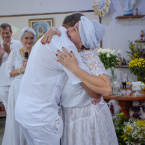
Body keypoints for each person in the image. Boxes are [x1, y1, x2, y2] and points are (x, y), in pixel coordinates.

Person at [42, 14, 118, 145]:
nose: (69, 30)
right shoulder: (68, 53)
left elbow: (106, 88)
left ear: (82, 41)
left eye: (74, 29)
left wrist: (74, 68)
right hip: (70, 117)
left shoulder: (88, 56)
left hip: (87, 118)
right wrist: (53, 31)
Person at [15, 15, 91, 145]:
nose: (83, 43)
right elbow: (85, 84)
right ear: (73, 28)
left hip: (23, 111)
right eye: (83, 33)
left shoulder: (46, 39)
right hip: (41, 117)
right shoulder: (66, 46)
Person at [2, 27, 36, 145]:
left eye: (31, 38)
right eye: (26, 38)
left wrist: (32, 68)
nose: (29, 40)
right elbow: (7, 73)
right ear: (21, 39)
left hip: (32, 88)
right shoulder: (15, 53)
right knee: (17, 117)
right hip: (17, 88)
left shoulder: (36, 53)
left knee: (30, 116)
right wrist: (22, 69)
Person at [0, 23, 22, 111]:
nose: (5, 35)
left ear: (11, 33)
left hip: (16, 80)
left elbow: (21, 61)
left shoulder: (19, 44)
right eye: (3, 33)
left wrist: (9, 52)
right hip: (3, 82)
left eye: (7, 33)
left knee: (18, 107)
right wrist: (1, 56)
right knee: (8, 109)